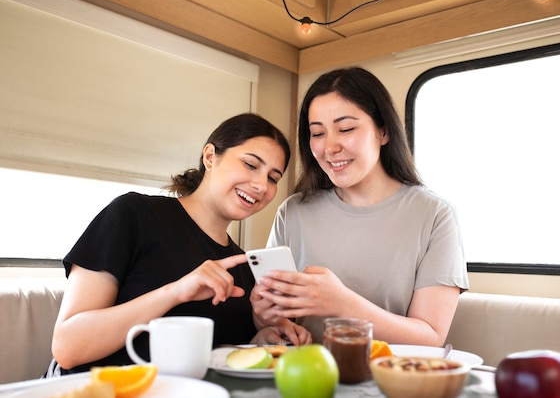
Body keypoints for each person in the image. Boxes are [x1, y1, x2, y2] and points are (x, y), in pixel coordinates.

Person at [49, 113, 311, 376]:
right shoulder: (134, 215)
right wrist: (176, 292)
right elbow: (67, 347)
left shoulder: (242, 267)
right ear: (210, 156)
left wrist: (259, 341)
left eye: (273, 178)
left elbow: (212, 361)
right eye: (251, 165)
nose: (260, 185)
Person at [251, 67, 469, 345]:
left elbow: (430, 337)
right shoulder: (293, 211)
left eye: (346, 129)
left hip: (388, 379)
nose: (329, 147)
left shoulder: (435, 215)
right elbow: (277, 317)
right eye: (317, 133)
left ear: (384, 131)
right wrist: (268, 320)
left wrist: (342, 303)